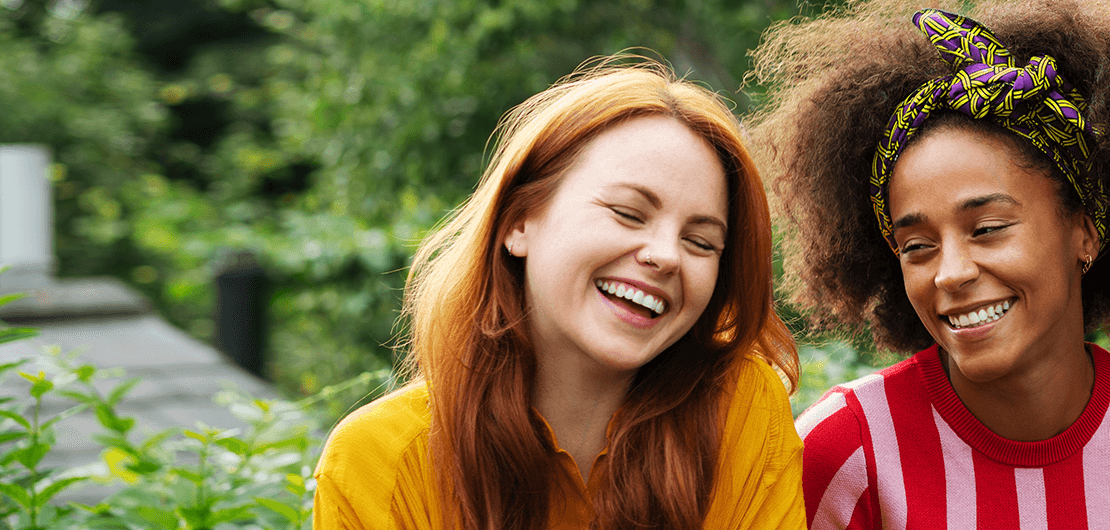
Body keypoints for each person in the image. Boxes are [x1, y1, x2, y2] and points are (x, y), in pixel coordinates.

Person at [748, 1, 1110, 528]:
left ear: (1084, 230)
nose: (950, 272)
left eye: (988, 229)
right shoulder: (845, 448)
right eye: (917, 245)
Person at [313, 60, 804, 530]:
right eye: (629, 213)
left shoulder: (742, 410)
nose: (666, 255)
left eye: (701, 242)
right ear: (518, 221)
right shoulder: (378, 461)